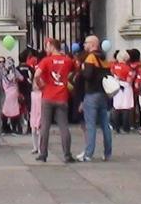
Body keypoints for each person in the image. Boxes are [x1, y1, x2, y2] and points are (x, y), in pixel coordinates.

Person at [35, 39, 75, 163]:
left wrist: (40, 85)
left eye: (47, 46)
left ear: (52, 46)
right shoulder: (68, 60)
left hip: (48, 95)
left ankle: (43, 154)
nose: (46, 49)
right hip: (62, 96)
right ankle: (67, 154)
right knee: (64, 126)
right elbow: (74, 71)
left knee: (45, 126)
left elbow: (37, 74)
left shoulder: (46, 60)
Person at [77, 34, 112, 162]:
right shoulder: (104, 58)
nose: (84, 45)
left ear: (93, 44)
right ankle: (107, 153)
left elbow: (88, 75)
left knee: (90, 125)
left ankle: (88, 153)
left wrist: (82, 69)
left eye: (86, 43)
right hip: (103, 94)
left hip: (92, 93)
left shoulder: (90, 58)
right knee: (105, 125)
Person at [110, 50, 134, 134]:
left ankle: (116, 127)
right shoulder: (128, 68)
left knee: (116, 106)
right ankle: (125, 127)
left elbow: (112, 74)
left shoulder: (114, 66)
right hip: (125, 86)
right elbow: (129, 80)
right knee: (126, 107)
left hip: (116, 86)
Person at [1, 58, 22, 135]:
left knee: (5, 111)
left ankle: (4, 128)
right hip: (13, 93)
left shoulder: (2, 72)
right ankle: (14, 128)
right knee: (14, 111)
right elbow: (22, 78)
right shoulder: (15, 71)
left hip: (6, 93)